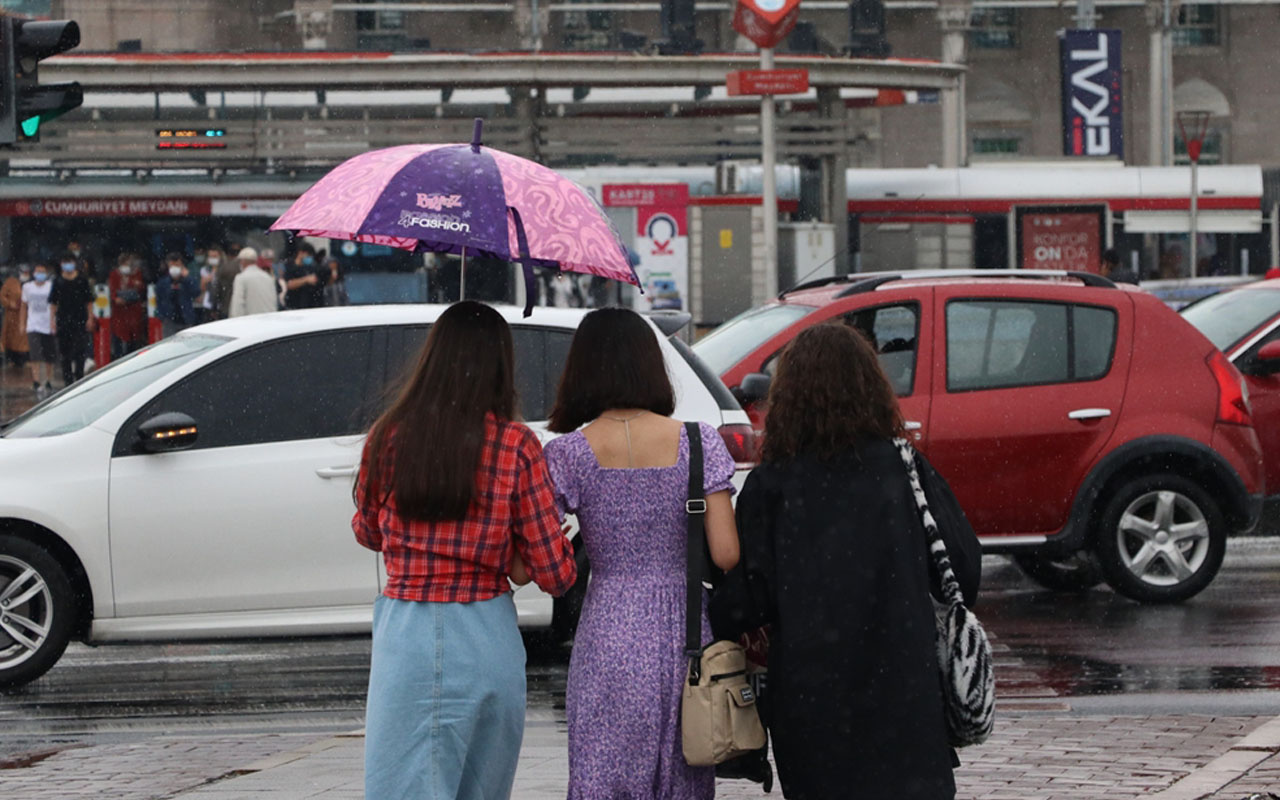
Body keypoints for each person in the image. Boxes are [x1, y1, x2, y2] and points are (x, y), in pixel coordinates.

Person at [708, 323, 981, 800]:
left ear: (789, 398)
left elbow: (744, 604)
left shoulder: (773, 486)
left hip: (813, 703)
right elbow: (961, 565)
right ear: (870, 388)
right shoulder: (905, 468)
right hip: (906, 692)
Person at [353, 300, 577, 800]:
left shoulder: (388, 436)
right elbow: (556, 574)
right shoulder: (517, 445)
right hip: (485, 635)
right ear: (501, 365)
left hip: (406, 634)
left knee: (404, 787)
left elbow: (368, 531)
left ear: (432, 359)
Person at [542, 307, 740, 800]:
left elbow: (537, 553)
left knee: (603, 776)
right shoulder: (699, 442)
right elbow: (727, 551)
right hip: (686, 633)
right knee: (683, 772)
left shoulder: (568, 453)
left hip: (607, 630)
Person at [48, 253, 95, 387]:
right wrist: (52, 321)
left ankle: (79, 379)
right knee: (65, 354)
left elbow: (89, 301)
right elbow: (53, 303)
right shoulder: (57, 281)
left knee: (80, 352)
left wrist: (90, 318)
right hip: (63, 321)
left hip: (79, 320)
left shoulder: (82, 280)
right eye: (65, 262)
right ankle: (68, 383)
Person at [21, 262, 56, 398]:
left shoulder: (50, 287)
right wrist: (22, 323)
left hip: (47, 325)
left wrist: (53, 320)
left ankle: (48, 380)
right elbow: (24, 305)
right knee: (35, 355)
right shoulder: (27, 287)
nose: (40, 274)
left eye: (42, 271)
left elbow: (54, 304)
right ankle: (36, 380)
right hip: (33, 325)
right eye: (38, 271)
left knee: (49, 356)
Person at [108, 253, 147, 358]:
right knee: (119, 338)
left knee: (133, 339)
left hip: (133, 311)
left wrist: (136, 284)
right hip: (120, 313)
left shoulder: (136, 273)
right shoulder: (114, 274)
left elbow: (141, 289)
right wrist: (115, 299)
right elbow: (112, 291)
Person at [155, 252, 200, 337]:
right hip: (169, 320)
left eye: (177, 265)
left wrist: (187, 278)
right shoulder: (163, 283)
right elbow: (159, 299)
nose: (175, 268)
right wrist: (162, 317)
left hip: (186, 318)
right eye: (172, 265)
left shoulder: (188, 280)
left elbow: (196, 292)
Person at [228, 247, 278, 318]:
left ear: (243, 261)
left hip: (251, 322)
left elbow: (237, 304)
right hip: (269, 321)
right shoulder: (268, 277)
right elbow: (274, 301)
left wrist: (235, 322)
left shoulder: (241, 278)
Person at [283, 243, 327, 309]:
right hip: (293, 305)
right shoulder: (289, 265)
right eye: (308, 255)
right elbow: (289, 284)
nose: (309, 258)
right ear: (301, 253)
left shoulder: (308, 268)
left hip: (307, 305)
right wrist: (306, 280)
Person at [1, 265, 29, 369]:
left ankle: (23, 359)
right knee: (10, 337)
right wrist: (10, 303)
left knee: (24, 339)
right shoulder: (11, 282)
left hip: (26, 315)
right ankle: (12, 358)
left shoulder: (30, 283)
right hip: (12, 315)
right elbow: (2, 296)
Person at [210, 245, 239, 319]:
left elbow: (216, 289)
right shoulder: (241, 267)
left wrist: (214, 307)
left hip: (225, 307)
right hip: (238, 307)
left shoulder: (222, 268)